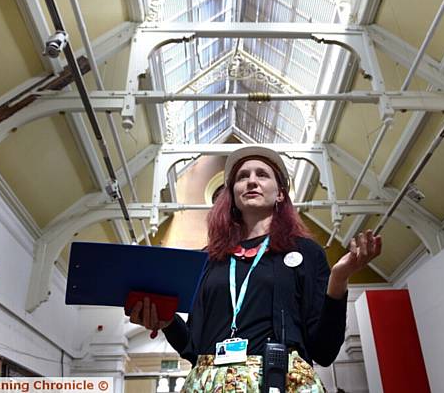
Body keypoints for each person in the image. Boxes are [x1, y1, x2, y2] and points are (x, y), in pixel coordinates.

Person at [128, 146, 381, 392]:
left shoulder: (306, 253)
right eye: (242, 177)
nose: (251, 181)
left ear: (280, 193)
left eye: (262, 174)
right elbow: (193, 349)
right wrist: (168, 322)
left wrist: (339, 279)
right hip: (210, 383)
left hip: (282, 382)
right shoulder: (208, 260)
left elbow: (324, 351)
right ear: (233, 195)